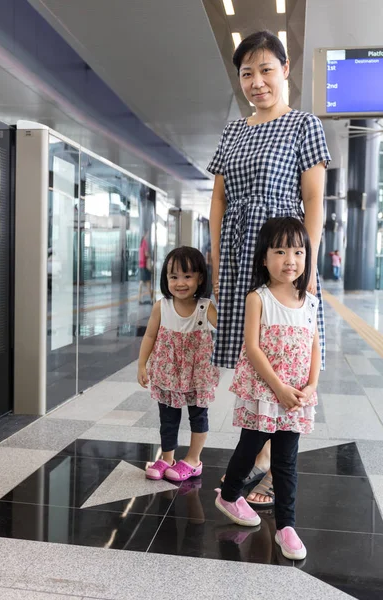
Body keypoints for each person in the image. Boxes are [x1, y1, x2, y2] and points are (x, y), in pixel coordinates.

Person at [207, 30, 330, 506]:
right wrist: (218, 260)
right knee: (252, 353)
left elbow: (314, 199)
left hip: (283, 255)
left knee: (288, 354)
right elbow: (218, 200)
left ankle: (278, 464)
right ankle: (258, 455)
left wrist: (309, 265)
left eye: (265, 70)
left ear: (285, 71)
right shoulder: (233, 130)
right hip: (240, 254)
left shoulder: (304, 124)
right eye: (246, 73)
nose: (256, 81)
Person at [215, 217, 320, 561]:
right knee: (250, 447)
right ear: (263, 258)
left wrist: (311, 385)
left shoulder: (310, 300)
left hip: (296, 396)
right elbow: (253, 348)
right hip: (265, 391)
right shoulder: (258, 298)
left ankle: (286, 526)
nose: (290, 259)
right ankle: (229, 494)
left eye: (298, 251)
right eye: (280, 251)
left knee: (287, 462)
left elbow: (315, 344)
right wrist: (278, 388)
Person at [137, 246, 219, 482]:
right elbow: (150, 336)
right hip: (167, 372)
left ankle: (194, 460)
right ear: (166, 279)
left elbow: (225, 327)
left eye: (187, 276)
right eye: (174, 277)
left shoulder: (205, 307)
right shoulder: (161, 306)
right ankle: (167, 457)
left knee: (198, 416)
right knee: (168, 418)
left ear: (200, 278)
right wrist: (142, 365)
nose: (180, 283)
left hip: (197, 374)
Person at [138, 231, 152, 304]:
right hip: (145, 265)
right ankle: (151, 299)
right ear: (145, 235)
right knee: (148, 282)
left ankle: (140, 299)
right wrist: (150, 256)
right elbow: (146, 254)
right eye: (147, 234)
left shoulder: (141, 244)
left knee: (142, 282)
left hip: (141, 265)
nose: (148, 236)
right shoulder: (144, 243)